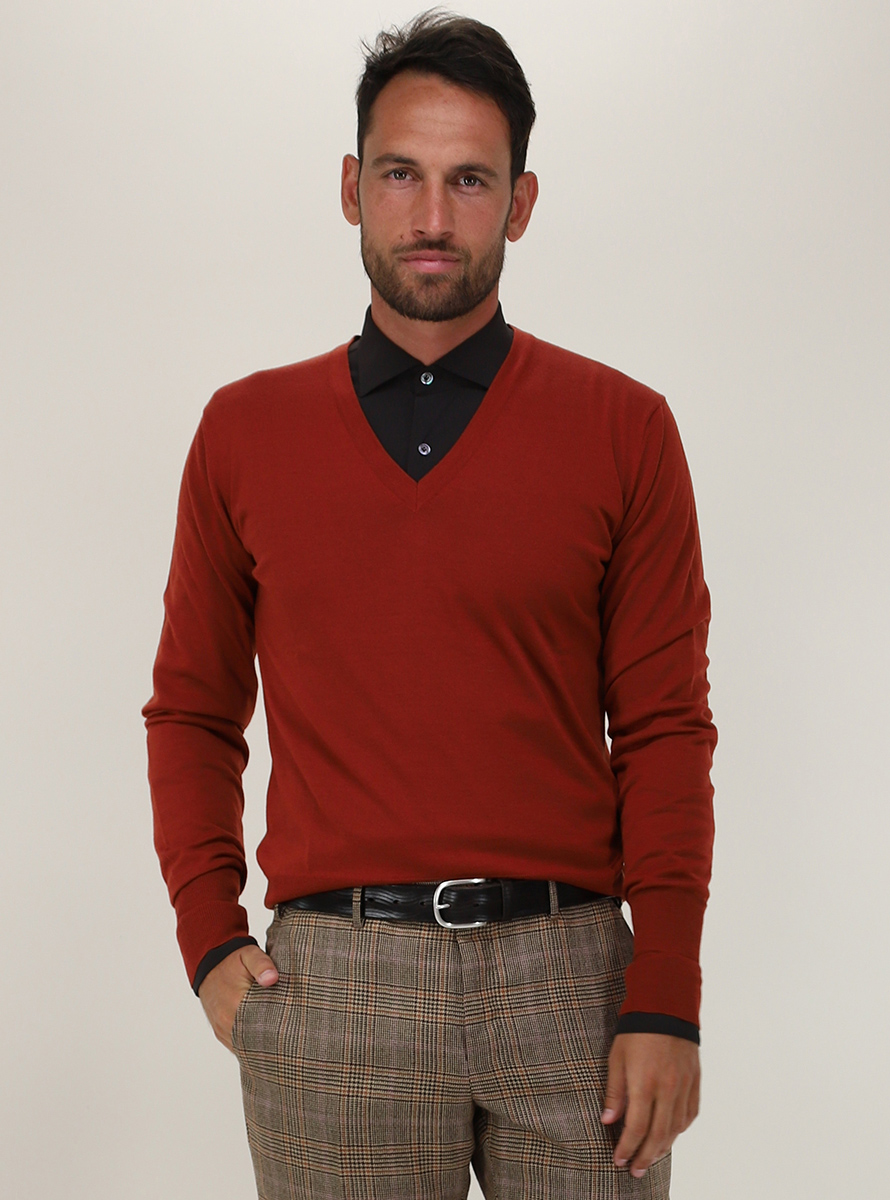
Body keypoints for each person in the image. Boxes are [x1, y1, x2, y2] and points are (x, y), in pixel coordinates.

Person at [143, 11, 716, 1199]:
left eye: (470, 180)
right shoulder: (243, 432)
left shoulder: (624, 429)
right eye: (401, 174)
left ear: (520, 203)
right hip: (333, 984)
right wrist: (207, 935)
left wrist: (665, 991)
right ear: (350, 188)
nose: (432, 217)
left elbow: (664, 727)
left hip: (572, 986)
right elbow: (192, 710)